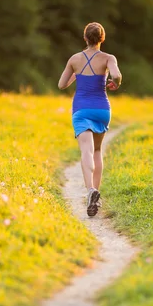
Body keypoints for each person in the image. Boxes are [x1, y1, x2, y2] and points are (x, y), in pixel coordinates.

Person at [58, 22, 122, 217]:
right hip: (102, 108)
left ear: (85, 38)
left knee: (86, 150)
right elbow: (117, 75)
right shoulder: (108, 58)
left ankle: (91, 190)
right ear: (102, 38)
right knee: (96, 150)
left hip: (81, 109)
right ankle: (96, 194)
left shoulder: (74, 59)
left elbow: (61, 84)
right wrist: (115, 83)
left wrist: (77, 76)